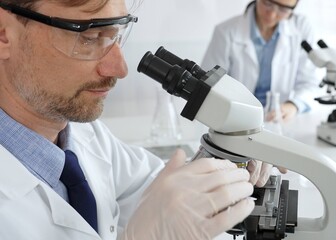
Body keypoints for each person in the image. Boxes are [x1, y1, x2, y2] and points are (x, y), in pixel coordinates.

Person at [0, 0, 279, 239]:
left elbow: (161, 191)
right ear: (4, 34)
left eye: (116, 34)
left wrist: (221, 162)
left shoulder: (86, 136)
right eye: (87, 37)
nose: (120, 69)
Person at [202, 0, 319, 122]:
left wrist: (293, 105)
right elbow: (209, 84)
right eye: (267, 4)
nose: (272, 14)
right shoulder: (226, 32)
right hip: (235, 118)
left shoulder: (302, 28)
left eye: (283, 10)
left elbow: (310, 82)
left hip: (278, 120)